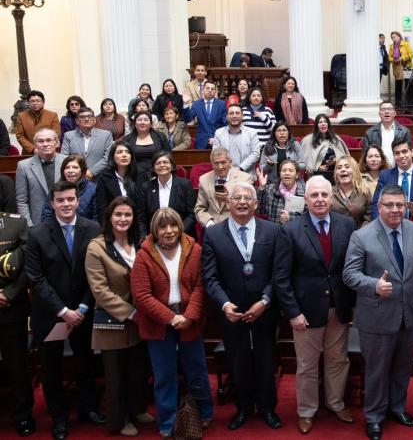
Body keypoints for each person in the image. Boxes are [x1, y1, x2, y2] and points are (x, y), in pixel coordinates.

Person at [274, 176, 358, 433]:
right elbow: (281, 277)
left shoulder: (347, 225)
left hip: (338, 308)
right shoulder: (291, 229)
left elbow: (352, 268)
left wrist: (352, 307)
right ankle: (306, 411)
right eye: (314, 196)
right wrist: (293, 313)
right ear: (306, 199)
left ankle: (335, 402)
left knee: (337, 361)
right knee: (307, 365)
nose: (320, 200)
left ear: (331, 198)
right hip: (306, 313)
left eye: (324, 195)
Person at [202, 182, 287, 430]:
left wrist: (265, 301)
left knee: (265, 361)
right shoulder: (214, 234)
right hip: (232, 312)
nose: (241, 202)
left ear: (255, 204)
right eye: (236, 198)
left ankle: (268, 408)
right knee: (238, 362)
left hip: (265, 309)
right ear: (228, 203)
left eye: (247, 198)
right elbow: (210, 277)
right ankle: (243, 408)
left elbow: (279, 272)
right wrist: (225, 304)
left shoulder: (272, 231)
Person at [342, 185, 413, 440]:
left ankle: (397, 408)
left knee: (402, 368)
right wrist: (374, 286)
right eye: (389, 205)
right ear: (379, 207)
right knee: (377, 371)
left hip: (407, 315)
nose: (395, 210)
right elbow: (349, 274)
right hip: (376, 316)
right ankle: (374, 417)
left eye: (399, 205)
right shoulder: (362, 236)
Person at [25, 181, 105, 440]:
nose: (66, 204)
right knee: (51, 367)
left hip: (83, 312)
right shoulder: (37, 233)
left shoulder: (93, 229)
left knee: (85, 361)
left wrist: (82, 306)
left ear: (78, 201)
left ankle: (88, 408)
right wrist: (62, 311)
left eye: (70, 199)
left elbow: (96, 273)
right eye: (61, 200)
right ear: (52, 203)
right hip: (51, 315)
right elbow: (36, 278)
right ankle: (59, 417)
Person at [132, 207, 214, 439]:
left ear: (180, 227)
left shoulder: (194, 250)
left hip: (190, 319)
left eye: (173, 225)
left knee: (196, 370)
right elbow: (142, 295)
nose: (168, 231)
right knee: (164, 375)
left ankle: (204, 413)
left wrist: (188, 316)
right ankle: (168, 422)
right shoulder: (144, 255)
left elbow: (200, 285)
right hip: (158, 323)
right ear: (154, 230)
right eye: (162, 226)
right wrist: (170, 317)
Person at [84, 197, 152, 437]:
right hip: (113, 321)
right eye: (118, 215)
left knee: (137, 370)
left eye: (128, 215)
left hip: (140, 320)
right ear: (109, 218)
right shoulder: (97, 246)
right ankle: (119, 419)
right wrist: (130, 312)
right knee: (116, 376)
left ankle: (137, 409)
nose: (123, 219)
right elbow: (100, 291)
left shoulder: (140, 243)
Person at [0, 208, 34, 436]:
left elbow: (28, 265)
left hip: (11, 308)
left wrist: (9, 293)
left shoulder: (17, 224)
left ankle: (23, 415)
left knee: (17, 366)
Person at [15, 128, 66, 226]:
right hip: (38, 222)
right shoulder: (24, 166)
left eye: (49, 140)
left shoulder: (67, 162)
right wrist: (29, 226)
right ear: (35, 145)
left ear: (57, 143)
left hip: (65, 220)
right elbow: (22, 200)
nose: (45, 144)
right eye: (41, 141)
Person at [370, 138, 413, 221]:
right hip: (389, 224)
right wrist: (380, 226)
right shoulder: (385, 176)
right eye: (397, 153)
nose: (401, 156)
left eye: (404, 151)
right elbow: (376, 204)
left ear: (412, 152)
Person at [194, 148, 253, 228]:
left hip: (237, 225)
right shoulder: (204, 179)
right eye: (216, 163)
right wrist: (209, 223)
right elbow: (200, 208)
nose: (220, 167)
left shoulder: (245, 178)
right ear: (212, 164)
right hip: (212, 227)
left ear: (230, 162)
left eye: (223, 162)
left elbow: (248, 206)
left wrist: (229, 199)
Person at [95, 142, 147, 230]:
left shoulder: (141, 175)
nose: (124, 155)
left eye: (127, 152)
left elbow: (143, 208)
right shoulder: (105, 177)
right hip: (113, 225)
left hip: (137, 225)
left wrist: (142, 231)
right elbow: (102, 209)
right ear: (113, 156)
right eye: (119, 152)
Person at [147, 151, 197, 236]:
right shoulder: (146, 187)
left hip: (183, 234)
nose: (162, 165)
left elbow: (192, 214)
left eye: (165, 162)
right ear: (153, 168)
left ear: (172, 166)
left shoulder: (185, 185)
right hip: (155, 235)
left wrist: (179, 232)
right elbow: (142, 217)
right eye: (158, 163)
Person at [41, 155, 98, 223]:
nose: (70, 171)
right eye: (67, 167)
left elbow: (96, 218)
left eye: (75, 167)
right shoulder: (55, 189)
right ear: (63, 171)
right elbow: (46, 215)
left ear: (82, 170)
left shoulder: (93, 189)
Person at [61, 107, 112, 180]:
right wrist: (78, 172)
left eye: (89, 116)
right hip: (75, 178)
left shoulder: (106, 135)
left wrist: (91, 172)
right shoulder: (68, 136)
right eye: (82, 117)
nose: (86, 119)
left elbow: (108, 157)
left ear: (94, 120)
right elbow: (64, 157)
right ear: (77, 121)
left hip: (100, 178)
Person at [362, 102, 412, 169]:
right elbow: (365, 155)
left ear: (394, 113)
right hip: (378, 170)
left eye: (389, 109)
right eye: (383, 109)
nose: (386, 111)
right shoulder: (370, 133)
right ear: (379, 114)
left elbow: (408, 153)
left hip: (398, 169)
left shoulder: (404, 131)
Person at [256, 159, 306, 224]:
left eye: (291, 171)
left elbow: (307, 216)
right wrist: (262, 187)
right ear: (280, 174)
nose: (287, 173)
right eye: (284, 171)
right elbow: (260, 211)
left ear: (297, 175)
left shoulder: (304, 192)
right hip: (274, 231)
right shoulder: (271, 189)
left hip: (295, 232)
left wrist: (289, 217)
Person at [330, 156, 372, 228]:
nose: (343, 170)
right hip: (335, 236)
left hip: (358, 236)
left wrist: (360, 234)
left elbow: (369, 217)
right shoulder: (329, 192)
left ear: (354, 170)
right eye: (339, 168)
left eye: (347, 167)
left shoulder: (364, 192)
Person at [183, 80, 227, 149]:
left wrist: (217, 138)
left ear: (215, 92)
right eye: (207, 88)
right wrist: (185, 104)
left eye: (212, 89)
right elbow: (188, 119)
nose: (210, 90)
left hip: (217, 141)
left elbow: (225, 124)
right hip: (201, 141)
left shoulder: (221, 104)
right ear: (202, 90)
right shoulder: (196, 104)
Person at [123, 111, 168, 178]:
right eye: (139, 120)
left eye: (146, 120)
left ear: (151, 124)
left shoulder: (160, 136)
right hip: (135, 174)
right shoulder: (127, 139)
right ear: (135, 124)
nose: (142, 122)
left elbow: (168, 155)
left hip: (158, 172)